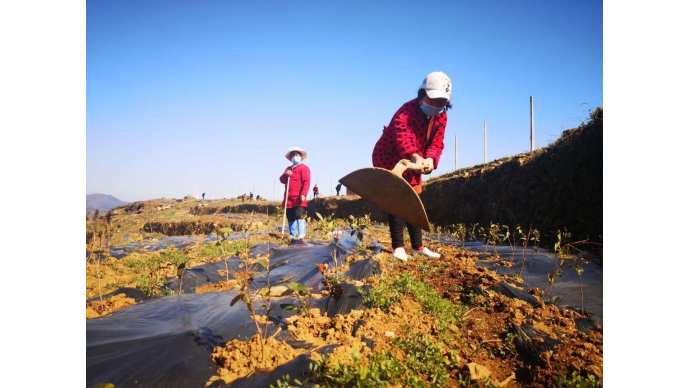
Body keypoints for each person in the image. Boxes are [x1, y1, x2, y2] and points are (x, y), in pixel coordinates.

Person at [372, 71, 452, 261]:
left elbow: (437, 143)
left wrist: (431, 159)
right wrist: (416, 157)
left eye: (441, 102)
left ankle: (418, 246)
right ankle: (398, 247)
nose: (436, 106)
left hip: (415, 161)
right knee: (397, 197)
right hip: (390, 157)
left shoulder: (441, 118)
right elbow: (402, 137)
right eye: (433, 100)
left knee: (413, 198)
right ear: (422, 94)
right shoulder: (405, 112)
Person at [279, 146, 311, 244]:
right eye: (293, 155)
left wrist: (303, 194)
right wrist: (286, 174)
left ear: (301, 157)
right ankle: (293, 235)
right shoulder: (288, 169)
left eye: (297, 155)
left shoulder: (304, 168)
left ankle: (301, 235)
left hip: (299, 198)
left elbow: (306, 182)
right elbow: (282, 180)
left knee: (299, 216)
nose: (295, 157)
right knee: (291, 216)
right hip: (289, 199)